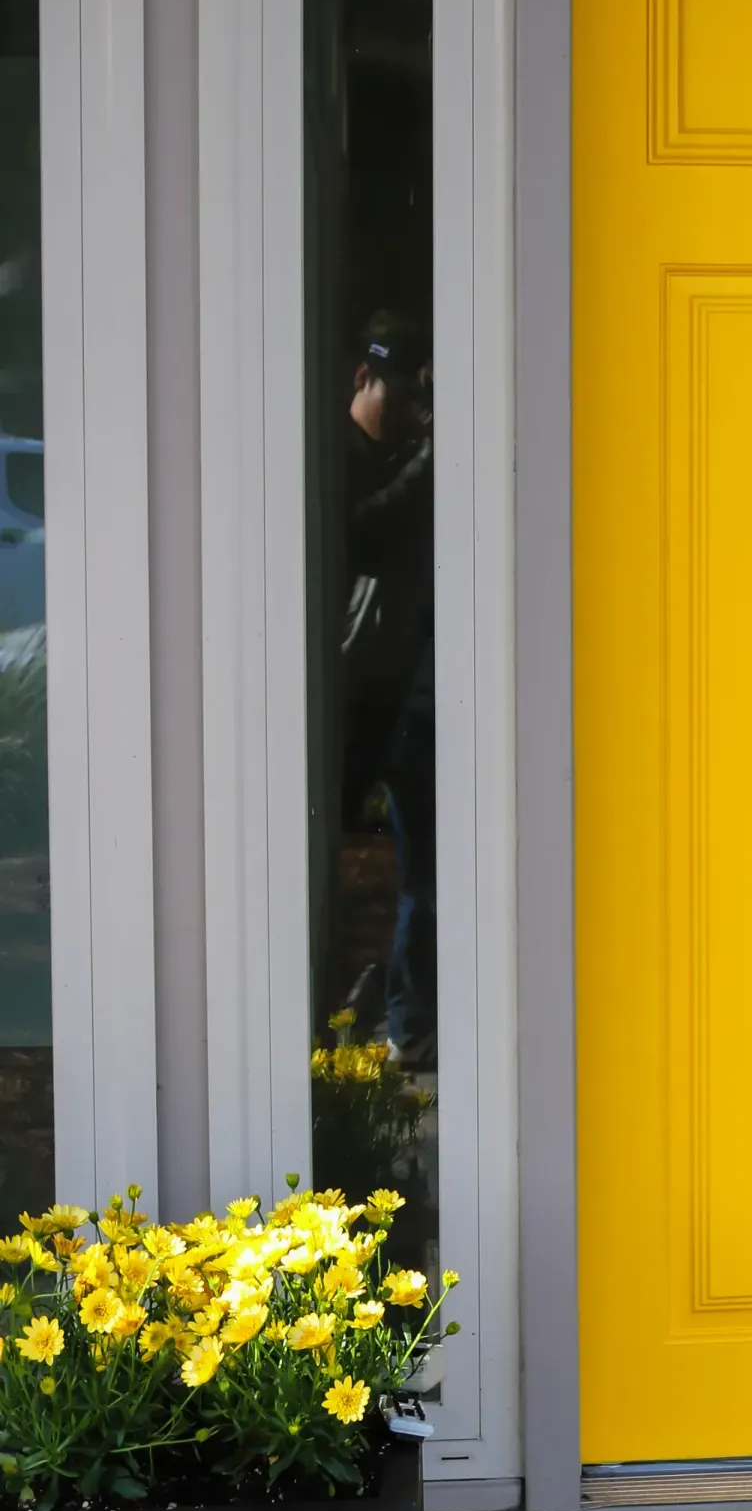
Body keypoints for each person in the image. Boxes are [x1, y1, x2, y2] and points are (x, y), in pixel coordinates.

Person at [341, 314, 435, 1065]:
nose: (408, 414)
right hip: (350, 701)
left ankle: (404, 1021)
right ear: (361, 379)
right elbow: (362, 532)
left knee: (421, 868)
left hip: (394, 696)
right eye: (399, 397)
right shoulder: (333, 460)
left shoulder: (396, 459)